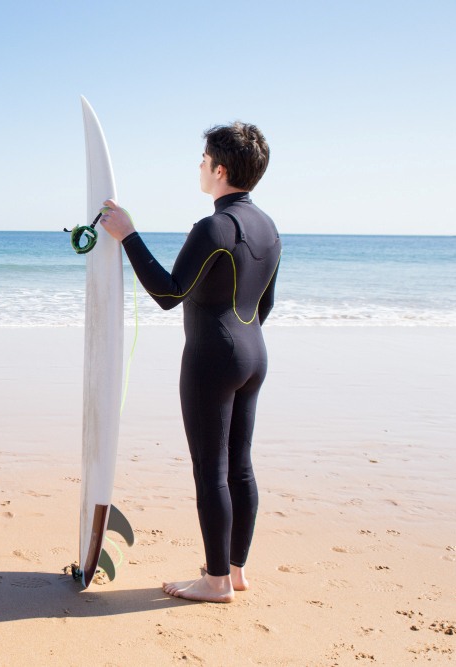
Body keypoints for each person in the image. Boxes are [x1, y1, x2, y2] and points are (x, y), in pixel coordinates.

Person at [98, 122, 281, 603]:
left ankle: (216, 582)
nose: (198, 166)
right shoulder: (268, 226)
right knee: (239, 468)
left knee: (210, 471)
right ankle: (235, 571)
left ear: (220, 169)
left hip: (212, 360)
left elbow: (166, 293)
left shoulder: (213, 226)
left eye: (203, 159)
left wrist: (128, 235)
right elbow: (265, 303)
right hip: (254, 353)